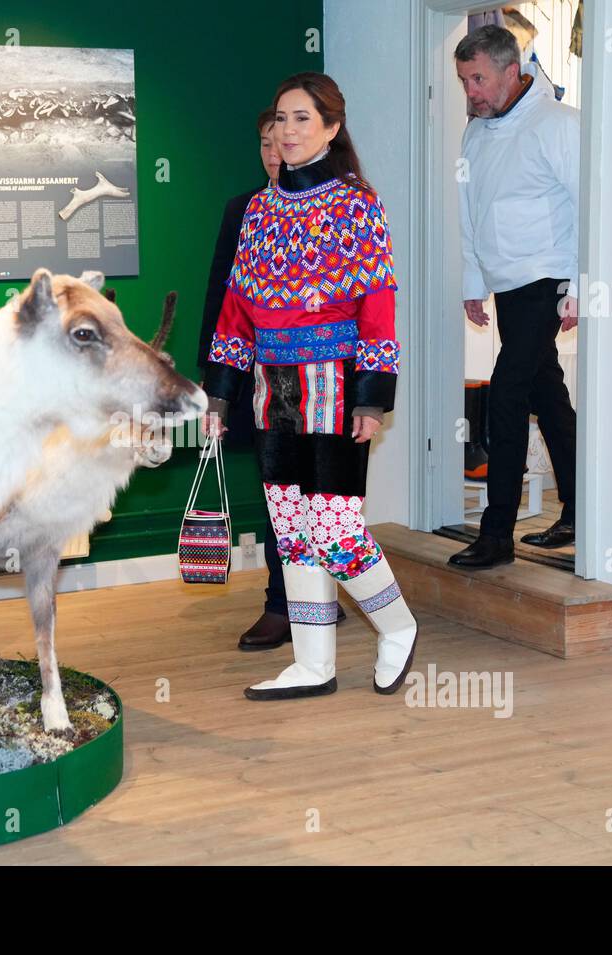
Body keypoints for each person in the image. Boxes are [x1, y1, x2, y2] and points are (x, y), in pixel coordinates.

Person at [203, 72, 418, 700]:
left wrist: (373, 398)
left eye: (303, 119)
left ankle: (396, 625)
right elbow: (237, 308)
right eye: (281, 119)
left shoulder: (358, 202)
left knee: (334, 528)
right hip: (273, 387)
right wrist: (220, 396)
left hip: (334, 384)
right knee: (291, 527)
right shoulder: (259, 209)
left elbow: (379, 305)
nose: (287, 131)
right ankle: (314, 661)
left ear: (330, 127)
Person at [198, 107, 345, 652]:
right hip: (262, 380)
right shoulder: (247, 210)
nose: (275, 148)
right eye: (266, 140)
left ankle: (309, 600)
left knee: (322, 497)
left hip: (326, 378)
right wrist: (218, 385)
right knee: (278, 494)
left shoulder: (344, 205)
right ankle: (285, 603)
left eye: (284, 134)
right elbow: (224, 300)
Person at [449, 25, 579, 570]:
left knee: (506, 396)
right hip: (505, 285)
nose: (471, 91)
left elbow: (590, 207)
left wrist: (580, 284)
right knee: (545, 392)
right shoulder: (474, 135)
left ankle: (496, 532)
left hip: (547, 281)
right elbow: (470, 214)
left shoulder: (558, 125)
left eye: (478, 78)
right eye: (464, 81)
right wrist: (474, 283)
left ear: (511, 70)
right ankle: (581, 509)